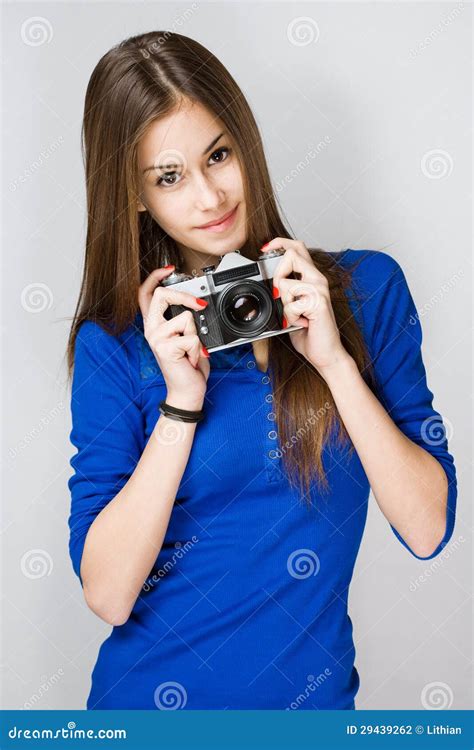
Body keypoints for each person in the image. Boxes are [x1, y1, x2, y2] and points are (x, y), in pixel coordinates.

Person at [66, 31, 457, 710]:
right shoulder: (121, 344)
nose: (210, 195)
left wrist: (334, 363)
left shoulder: (366, 292)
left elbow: (427, 527)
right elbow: (108, 593)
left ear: (246, 142)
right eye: (169, 176)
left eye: (219, 154)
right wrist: (181, 404)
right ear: (136, 195)